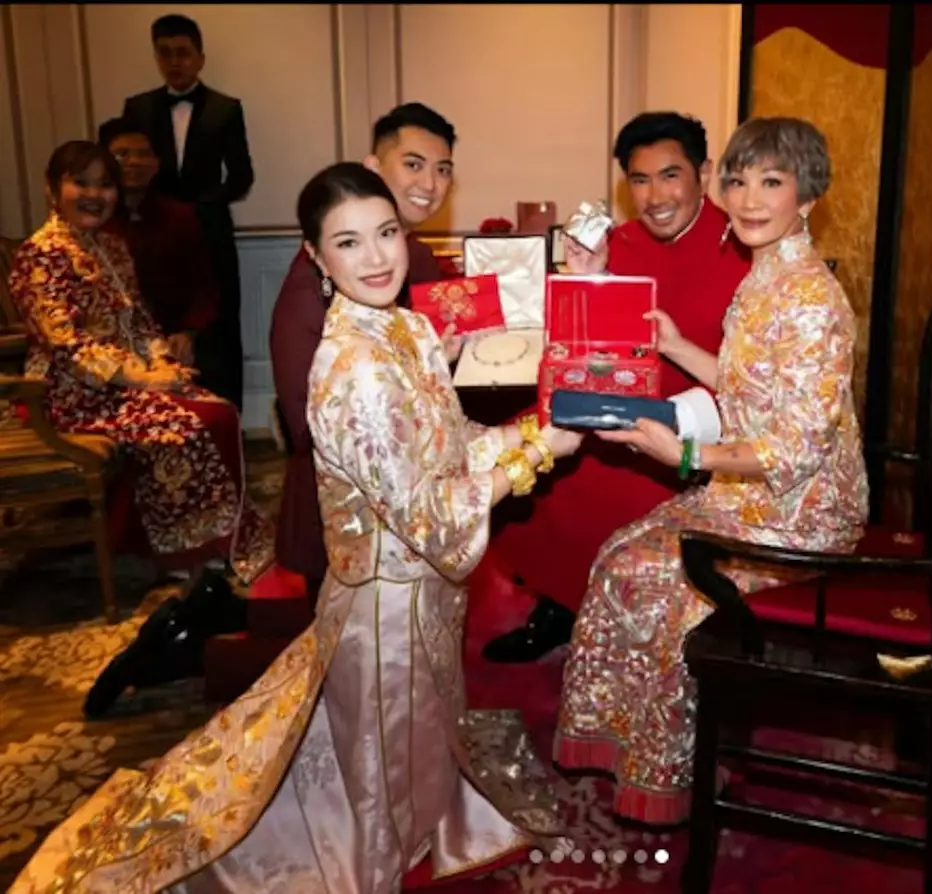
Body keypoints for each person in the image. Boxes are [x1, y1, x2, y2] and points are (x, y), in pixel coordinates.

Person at [12, 161, 584, 893]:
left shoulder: (405, 326)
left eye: (386, 233)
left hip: (425, 597)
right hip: (389, 606)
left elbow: (448, 446)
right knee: (382, 760)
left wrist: (533, 431)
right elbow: (428, 516)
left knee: (405, 740)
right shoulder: (353, 367)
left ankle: (421, 818)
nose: (375, 257)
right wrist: (538, 451)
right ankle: (376, 847)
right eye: (348, 242)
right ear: (316, 256)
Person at [553, 117, 870, 825]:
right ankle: (635, 751)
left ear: (808, 197)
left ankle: (674, 773)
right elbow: (745, 386)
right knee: (616, 555)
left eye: (772, 182)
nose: (750, 199)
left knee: (649, 580)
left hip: (801, 510)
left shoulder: (811, 301)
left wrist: (686, 456)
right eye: (739, 181)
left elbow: (794, 449)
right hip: (749, 491)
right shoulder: (767, 275)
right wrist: (673, 344)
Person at [485, 111, 752, 663]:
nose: (655, 196)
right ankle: (561, 604)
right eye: (640, 180)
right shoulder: (617, 243)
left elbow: (755, 380)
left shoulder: (744, 247)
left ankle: (622, 620)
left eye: (670, 176)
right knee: (525, 456)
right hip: (613, 408)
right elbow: (582, 345)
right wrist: (589, 279)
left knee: (609, 484)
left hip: (703, 426)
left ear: (703, 173)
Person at [5, 140, 270, 582]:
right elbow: (67, 346)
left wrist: (161, 361)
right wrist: (144, 380)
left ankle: (216, 537)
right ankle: (181, 549)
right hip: (72, 394)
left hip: (126, 384)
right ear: (52, 189)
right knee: (185, 426)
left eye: (105, 185)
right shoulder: (42, 254)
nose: (95, 194)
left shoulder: (111, 246)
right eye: (81, 183)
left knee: (220, 411)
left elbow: (141, 321)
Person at [270, 102, 458, 603]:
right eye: (413, 164)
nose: (430, 184)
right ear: (373, 167)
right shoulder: (310, 292)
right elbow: (308, 428)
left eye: (443, 170)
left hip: (421, 507)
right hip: (351, 523)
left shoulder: (415, 257)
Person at [123, 13, 254, 410]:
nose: (174, 62)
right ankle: (161, 416)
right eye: (164, 53)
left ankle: (227, 417)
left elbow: (242, 176)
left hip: (211, 232)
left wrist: (201, 206)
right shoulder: (137, 108)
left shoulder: (226, 109)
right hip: (151, 233)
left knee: (222, 328)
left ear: (200, 58)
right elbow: (126, 170)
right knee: (151, 321)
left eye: (182, 53)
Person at [98, 116, 219, 372]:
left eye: (144, 154)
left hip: (171, 338)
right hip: (109, 344)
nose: (134, 162)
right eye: (122, 154)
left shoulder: (181, 216)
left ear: (157, 163)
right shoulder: (95, 219)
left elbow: (203, 285)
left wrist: (188, 332)